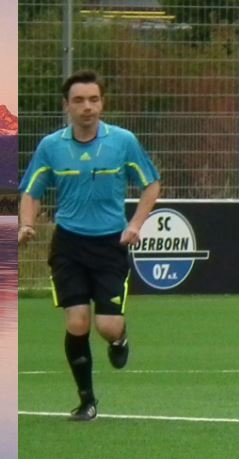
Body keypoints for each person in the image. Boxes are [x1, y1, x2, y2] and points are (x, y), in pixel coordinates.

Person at [18, 69, 161, 421]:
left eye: (94, 100)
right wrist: (27, 224)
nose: (87, 107)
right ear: (66, 106)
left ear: (102, 104)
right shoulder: (51, 146)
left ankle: (119, 339)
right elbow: (31, 192)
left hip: (110, 244)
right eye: (79, 100)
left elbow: (151, 184)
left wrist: (135, 224)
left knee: (107, 326)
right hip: (69, 245)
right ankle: (87, 401)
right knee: (78, 322)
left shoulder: (123, 141)